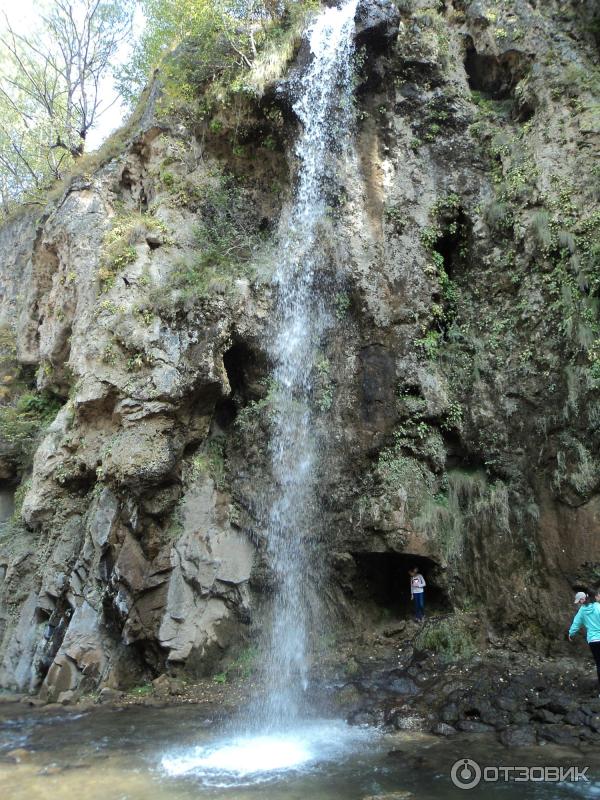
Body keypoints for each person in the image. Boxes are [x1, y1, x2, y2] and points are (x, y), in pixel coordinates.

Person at [568, 587, 600, 695]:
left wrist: (571, 634)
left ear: (583, 599)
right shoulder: (597, 607)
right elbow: (576, 623)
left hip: (593, 640)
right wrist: (571, 633)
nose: (579, 603)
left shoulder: (582, 611)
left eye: (580, 601)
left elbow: (576, 623)